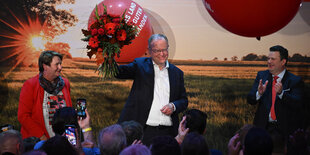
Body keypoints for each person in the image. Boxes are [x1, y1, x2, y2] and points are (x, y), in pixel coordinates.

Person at [116, 34, 188, 145]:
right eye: (157, 51)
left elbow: (183, 100)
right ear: (149, 51)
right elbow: (118, 72)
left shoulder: (177, 73)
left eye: (164, 50)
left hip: (168, 133)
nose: (162, 54)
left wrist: (173, 106)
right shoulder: (140, 65)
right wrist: (108, 55)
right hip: (143, 132)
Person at [247, 45, 304, 140]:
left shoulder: (295, 80)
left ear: (283, 62)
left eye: (273, 59)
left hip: (285, 131)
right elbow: (250, 99)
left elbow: (298, 104)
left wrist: (282, 94)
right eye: (268, 58)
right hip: (262, 129)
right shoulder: (261, 75)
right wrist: (259, 94)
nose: (269, 62)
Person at [18, 51, 72, 140]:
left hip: (63, 140)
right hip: (40, 140)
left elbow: (69, 114)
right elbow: (23, 116)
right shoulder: (30, 85)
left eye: (60, 64)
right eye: (57, 64)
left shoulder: (65, 83)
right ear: (45, 66)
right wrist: (42, 137)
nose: (60, 67)